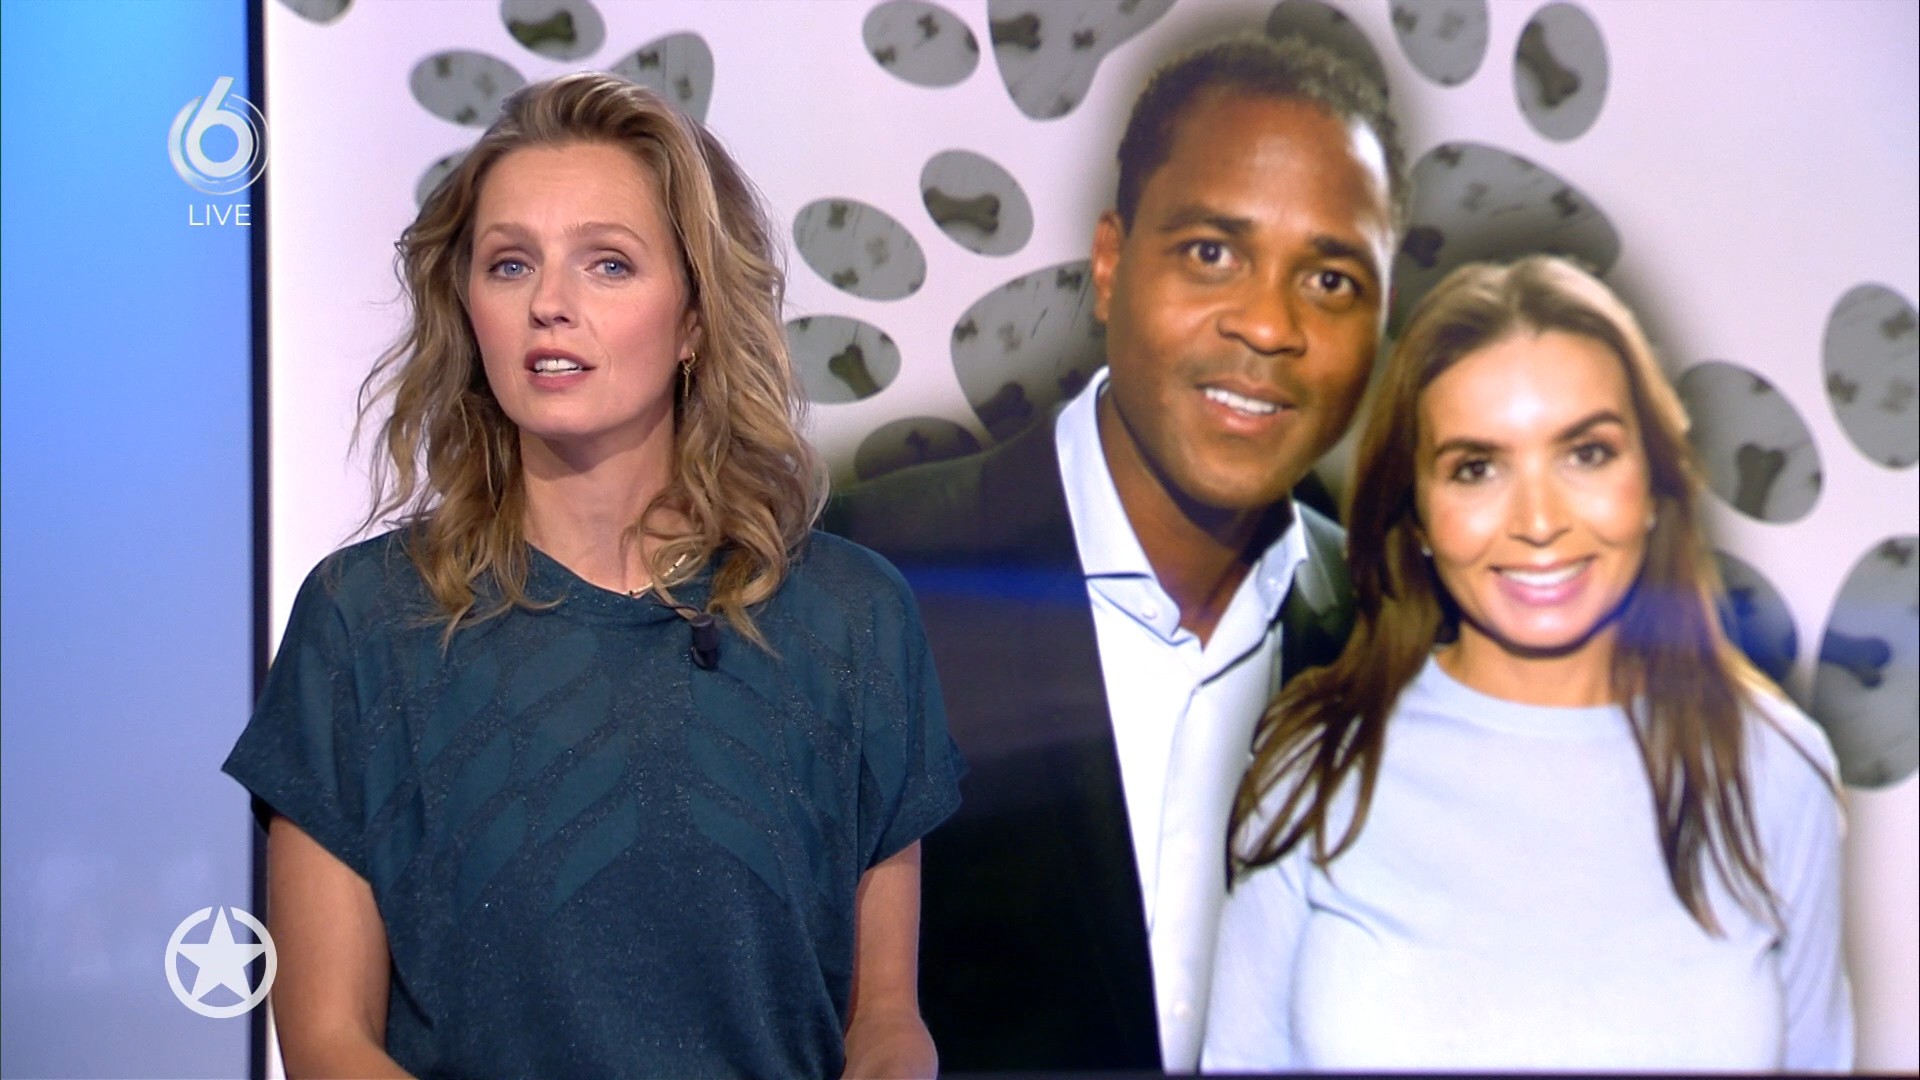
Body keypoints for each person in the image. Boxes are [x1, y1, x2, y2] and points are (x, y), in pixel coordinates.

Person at [223, 73, 963, 1079]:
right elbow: (327, 1044)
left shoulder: (851, 617)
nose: (549, 305)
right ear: (467, 308)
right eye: (510, 264)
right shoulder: (364, 622)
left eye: (608, 264)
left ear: (694, 319)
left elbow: (885, 1023)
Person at [824, 35, 1405, 1071]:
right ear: (1109, 264)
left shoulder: (1403, 642)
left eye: (1329, 277)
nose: (1269, 324)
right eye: (1213, 253)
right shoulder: (867, 578)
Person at [1203, 256, 1852, 1071]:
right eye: (1476, 468)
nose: (1539, 521)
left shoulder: (1776, 769)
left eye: (1586, 453)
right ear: (1418, 516)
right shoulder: (1320, 761)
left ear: (1654, 486)